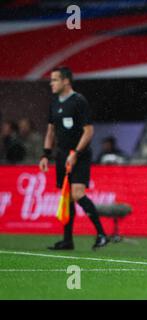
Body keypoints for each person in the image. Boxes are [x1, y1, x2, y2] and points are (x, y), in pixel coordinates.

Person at [39, 66, 109, 250]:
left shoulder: (79, 101)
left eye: (55, 80)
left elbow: (88, 131)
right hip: (62, 155)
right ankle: (67, 240)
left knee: (77, 194)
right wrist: (46, 154)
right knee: (67, 197)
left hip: (80, 155)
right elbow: (50, 131)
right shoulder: (54, 103)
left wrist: (76, 153)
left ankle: (102, 234)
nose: (51, 83)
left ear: (66, 81)